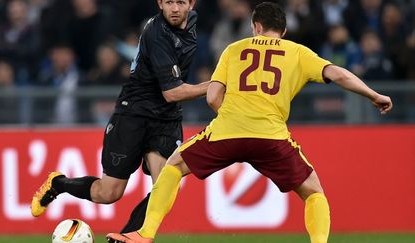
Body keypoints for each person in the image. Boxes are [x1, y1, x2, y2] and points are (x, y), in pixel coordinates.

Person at [107, 2, 393, 243]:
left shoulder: (234, 49)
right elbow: (339, 74)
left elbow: (213, 96)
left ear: (255, 26)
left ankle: (144, 234)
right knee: (313, 192)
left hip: (227, 131)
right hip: (272, 136)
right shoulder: (297, 52)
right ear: (282, 30)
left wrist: (232, 122)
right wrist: (373, 94)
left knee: (173, 167)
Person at [31, 0, 209, 235]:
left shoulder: (192, 22)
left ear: (191, 4)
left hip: (166, 117)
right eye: (169, 2)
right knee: (109, 193)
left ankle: (126, 238)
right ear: (159, 3)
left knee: (165, 186)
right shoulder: (157, 33)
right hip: (134, 114)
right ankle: (58, 183)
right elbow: (172, 92)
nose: (175, 8)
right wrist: (216, 85)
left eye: (180, 2)